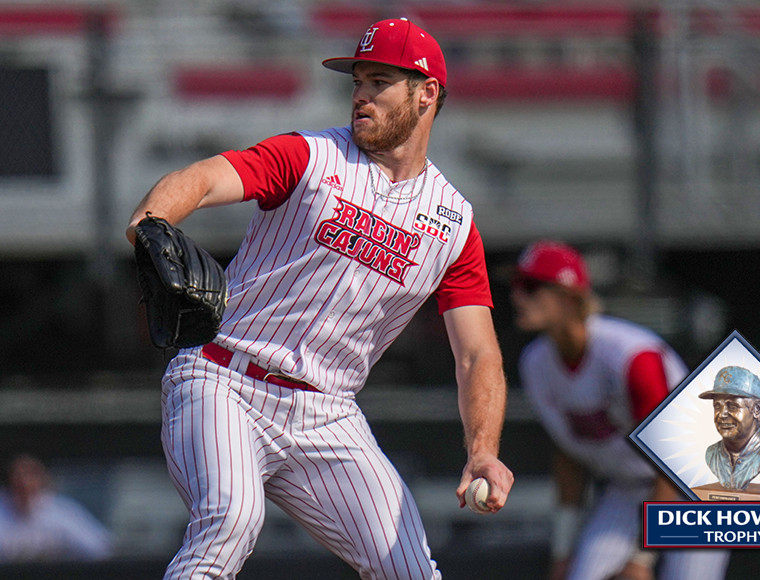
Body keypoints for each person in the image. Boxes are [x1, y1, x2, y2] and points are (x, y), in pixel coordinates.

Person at [126, 17, 514, 579]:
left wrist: (482, 449)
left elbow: (478, 354)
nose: (361, 95)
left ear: (426, 93)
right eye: (357, 82)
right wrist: (152, 220)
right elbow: (206, 177)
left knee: (410, 569)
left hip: (327, 415)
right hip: (223, 380)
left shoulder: (454, 222)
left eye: (379, 82)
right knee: (230, 522)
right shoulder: (310, 157)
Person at [511, 241, 728, 580]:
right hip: (628, 486)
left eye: (531, 287)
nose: (517, 296)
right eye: (516, 286)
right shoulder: (535, 363)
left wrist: (642, 557)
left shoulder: (629, 356)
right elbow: (568, 456)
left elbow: (674, 457)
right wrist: (563, 551)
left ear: (569, 297)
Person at [0, 453, 111, 564]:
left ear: (43, 478)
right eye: (18, 475)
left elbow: (100, 548)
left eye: (31, 474)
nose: (24, 481)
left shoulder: (62, 509)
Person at [700, 366, 760, 490]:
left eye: (733, 406)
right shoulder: (712, 454)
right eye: (717, 406)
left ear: (757, 410)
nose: (722, 414)